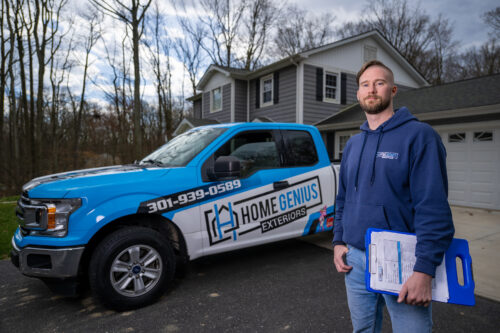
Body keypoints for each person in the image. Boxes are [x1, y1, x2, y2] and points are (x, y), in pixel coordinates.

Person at [332, 60, 454, 333]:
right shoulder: (353, 144)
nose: (371, 89)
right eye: (365, 84)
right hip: (356, 260)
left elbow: (432, 207)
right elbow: (342, 200)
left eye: (379, 83)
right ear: (358, 94)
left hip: (403, 260)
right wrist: (339, 241)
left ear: (393, 90)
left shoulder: (420, 137)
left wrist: (424, 270)